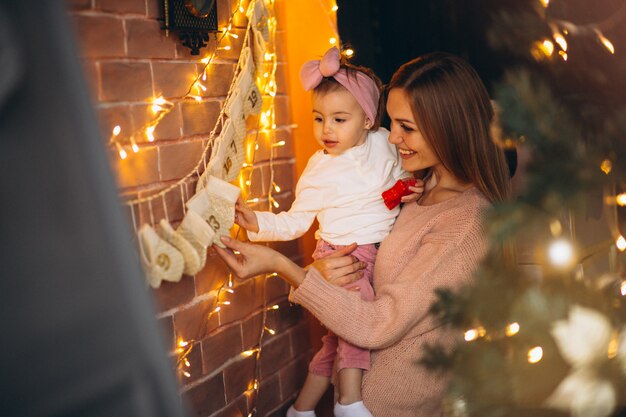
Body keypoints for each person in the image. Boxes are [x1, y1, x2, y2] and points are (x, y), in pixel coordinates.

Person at [215, 52, 511, 417]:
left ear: (447, 128)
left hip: (387, 406)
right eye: (392, 123)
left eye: (407, 128)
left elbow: (377, 326)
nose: (393, 138)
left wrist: (284, 267)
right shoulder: (415, 187)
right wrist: (318, 275)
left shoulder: (465, 222)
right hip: (353, 394)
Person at [235, 46, 421, 417]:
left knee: (334, 343)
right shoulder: (319, 170)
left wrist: (408, 187)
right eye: (319, 119)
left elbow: (396, 179)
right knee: (356, 320)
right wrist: (257, 222)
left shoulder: (385, 143)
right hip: (340, 255)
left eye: (339, 119)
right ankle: (349, 403)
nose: (326, 130)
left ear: (367, 120)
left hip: (372, 252)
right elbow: (296, 219)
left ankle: (301, 410)